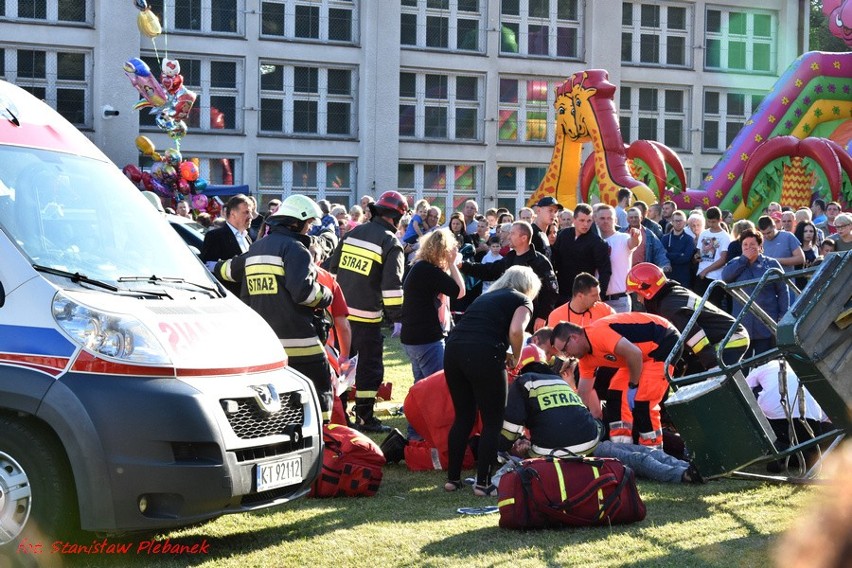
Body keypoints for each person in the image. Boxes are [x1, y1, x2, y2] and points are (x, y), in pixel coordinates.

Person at [214, 194, 334, 420]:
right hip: (300, 343)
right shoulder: (296, 249)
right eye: (308, 224)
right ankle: (325, 442)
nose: (309, 230)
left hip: (266, 344)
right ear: (296, 223)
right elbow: (304, 293)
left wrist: (211, 265)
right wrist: (326, 295)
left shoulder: (256, 249)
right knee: (320, 391)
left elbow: (226, 271)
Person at [443, 266, 539, 497]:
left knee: (463, 416)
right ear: (529, 286)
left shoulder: (486, 297)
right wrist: (515, 356)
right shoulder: (523, 300)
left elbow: (479, 328)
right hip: (484, 353)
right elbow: (517, 331)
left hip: (454, 350)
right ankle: (483, 483)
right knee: (493, 421)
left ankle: (452, 479)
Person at [330, 190, 408, 433]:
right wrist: (398, 318)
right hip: (366, 318)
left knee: (343, 364)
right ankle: (365, 417)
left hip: (339, 314)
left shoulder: (353, 233)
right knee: (369, 368)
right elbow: (392, 286)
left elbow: (332, 267)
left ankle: (341, 415)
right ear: (396, 217)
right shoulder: (390, 242)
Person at [551, 313, 681, 449]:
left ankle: (654, 451)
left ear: (574, 338)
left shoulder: (597, 334)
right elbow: (583, 394)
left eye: (565, 350)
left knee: (643, 402)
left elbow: (634, 353)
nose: (566, 356)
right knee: (615, 396)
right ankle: (622, 448)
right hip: (637, 356)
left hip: (663, 342)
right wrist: (573, 421)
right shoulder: (585, 359)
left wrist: (633, 385)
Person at [400, 228, 465, 439]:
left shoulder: (419, 267)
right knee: (436, 390)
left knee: (420, 389)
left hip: (413, 338)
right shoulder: (428, 270)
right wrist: (453, 263)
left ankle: (416, 434)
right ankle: (434, 435)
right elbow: (459, 291)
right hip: (426, 338)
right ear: (443, 251)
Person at [627, 262, 749, 371]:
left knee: (714, 387)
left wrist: (713, 365)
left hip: (730, 339)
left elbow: (693, 334)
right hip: (723, 338)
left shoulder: (668, 306)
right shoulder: (671, 296)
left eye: (638, 294)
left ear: (646, 290)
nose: (638, 299)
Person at [459, 221, 559, 332]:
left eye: (512, 233)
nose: (508, 236)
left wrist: (543, 316)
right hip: (509, 315)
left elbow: (552, 291)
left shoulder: (539, 261)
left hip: (531, 318)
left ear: (524, 238)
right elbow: (489, 271)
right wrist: (463, 265)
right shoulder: (510, 258)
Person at [499, 356, 602, 458]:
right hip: (591, 443)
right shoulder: (561, 382)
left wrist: (502, 446)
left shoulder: (524, 381)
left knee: (516, 458)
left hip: (547, 451)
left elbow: (510, 429)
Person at [745, 358, 830, 472]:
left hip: (775, 414)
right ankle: (784, 453)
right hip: (808, 415)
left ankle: (779, 451)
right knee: (815, 456)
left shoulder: (764, 368)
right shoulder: (801, 369)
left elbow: (744, 388)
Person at [721, 229, 789, 359]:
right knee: (742, 366)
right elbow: (725, 277)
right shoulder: (734, 263)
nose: (748, 248)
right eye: (745, 245)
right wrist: (743, 260)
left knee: (765, 363)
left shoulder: (771, 264)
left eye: (752, 244)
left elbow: (782, 290)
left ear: (760, 246)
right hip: (743, 324)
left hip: (766, 323)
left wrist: (782, 315)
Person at [551, 203, 612, 305]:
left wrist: (599, 295)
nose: (585, 225)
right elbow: (554, 260)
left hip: (584, 294)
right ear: (574, 220)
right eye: (582, 220)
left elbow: (605, 271)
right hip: (561, 292)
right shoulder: (563, 234)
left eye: (589, 221)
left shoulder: (597, 242)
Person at [201, 193, 252, 297]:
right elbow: (210, 270)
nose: (250, 216)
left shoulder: (247, 236)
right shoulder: (215, 236)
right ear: (233, 213)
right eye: (246, 212)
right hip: (230, 297)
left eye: (250, 212)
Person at [596, 204, 641, 313]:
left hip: (619, 300)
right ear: (595, 220)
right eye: (602, 218)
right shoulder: (593, 242)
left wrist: (636, 236)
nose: (606, 221)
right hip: (598, 300)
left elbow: (634, 243)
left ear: (615, 219)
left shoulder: (623, 238)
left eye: (609, 218)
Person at [546, 272, 614, 329]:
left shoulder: (605, 310)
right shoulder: (556, 316)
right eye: (594, 295)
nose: (598, 299)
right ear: (580, 296)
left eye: (598, 294)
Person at [662, 210, 697, 289]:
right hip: (668, 277)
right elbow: (662, 255)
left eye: (680, 221)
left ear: (685, 222)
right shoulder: (665, 238)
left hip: (683, 278)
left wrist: (669, 254)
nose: (678, 223)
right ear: (672, 222)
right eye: (676, 221)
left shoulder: (689, 240)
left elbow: (686, 258)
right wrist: (679, 254)